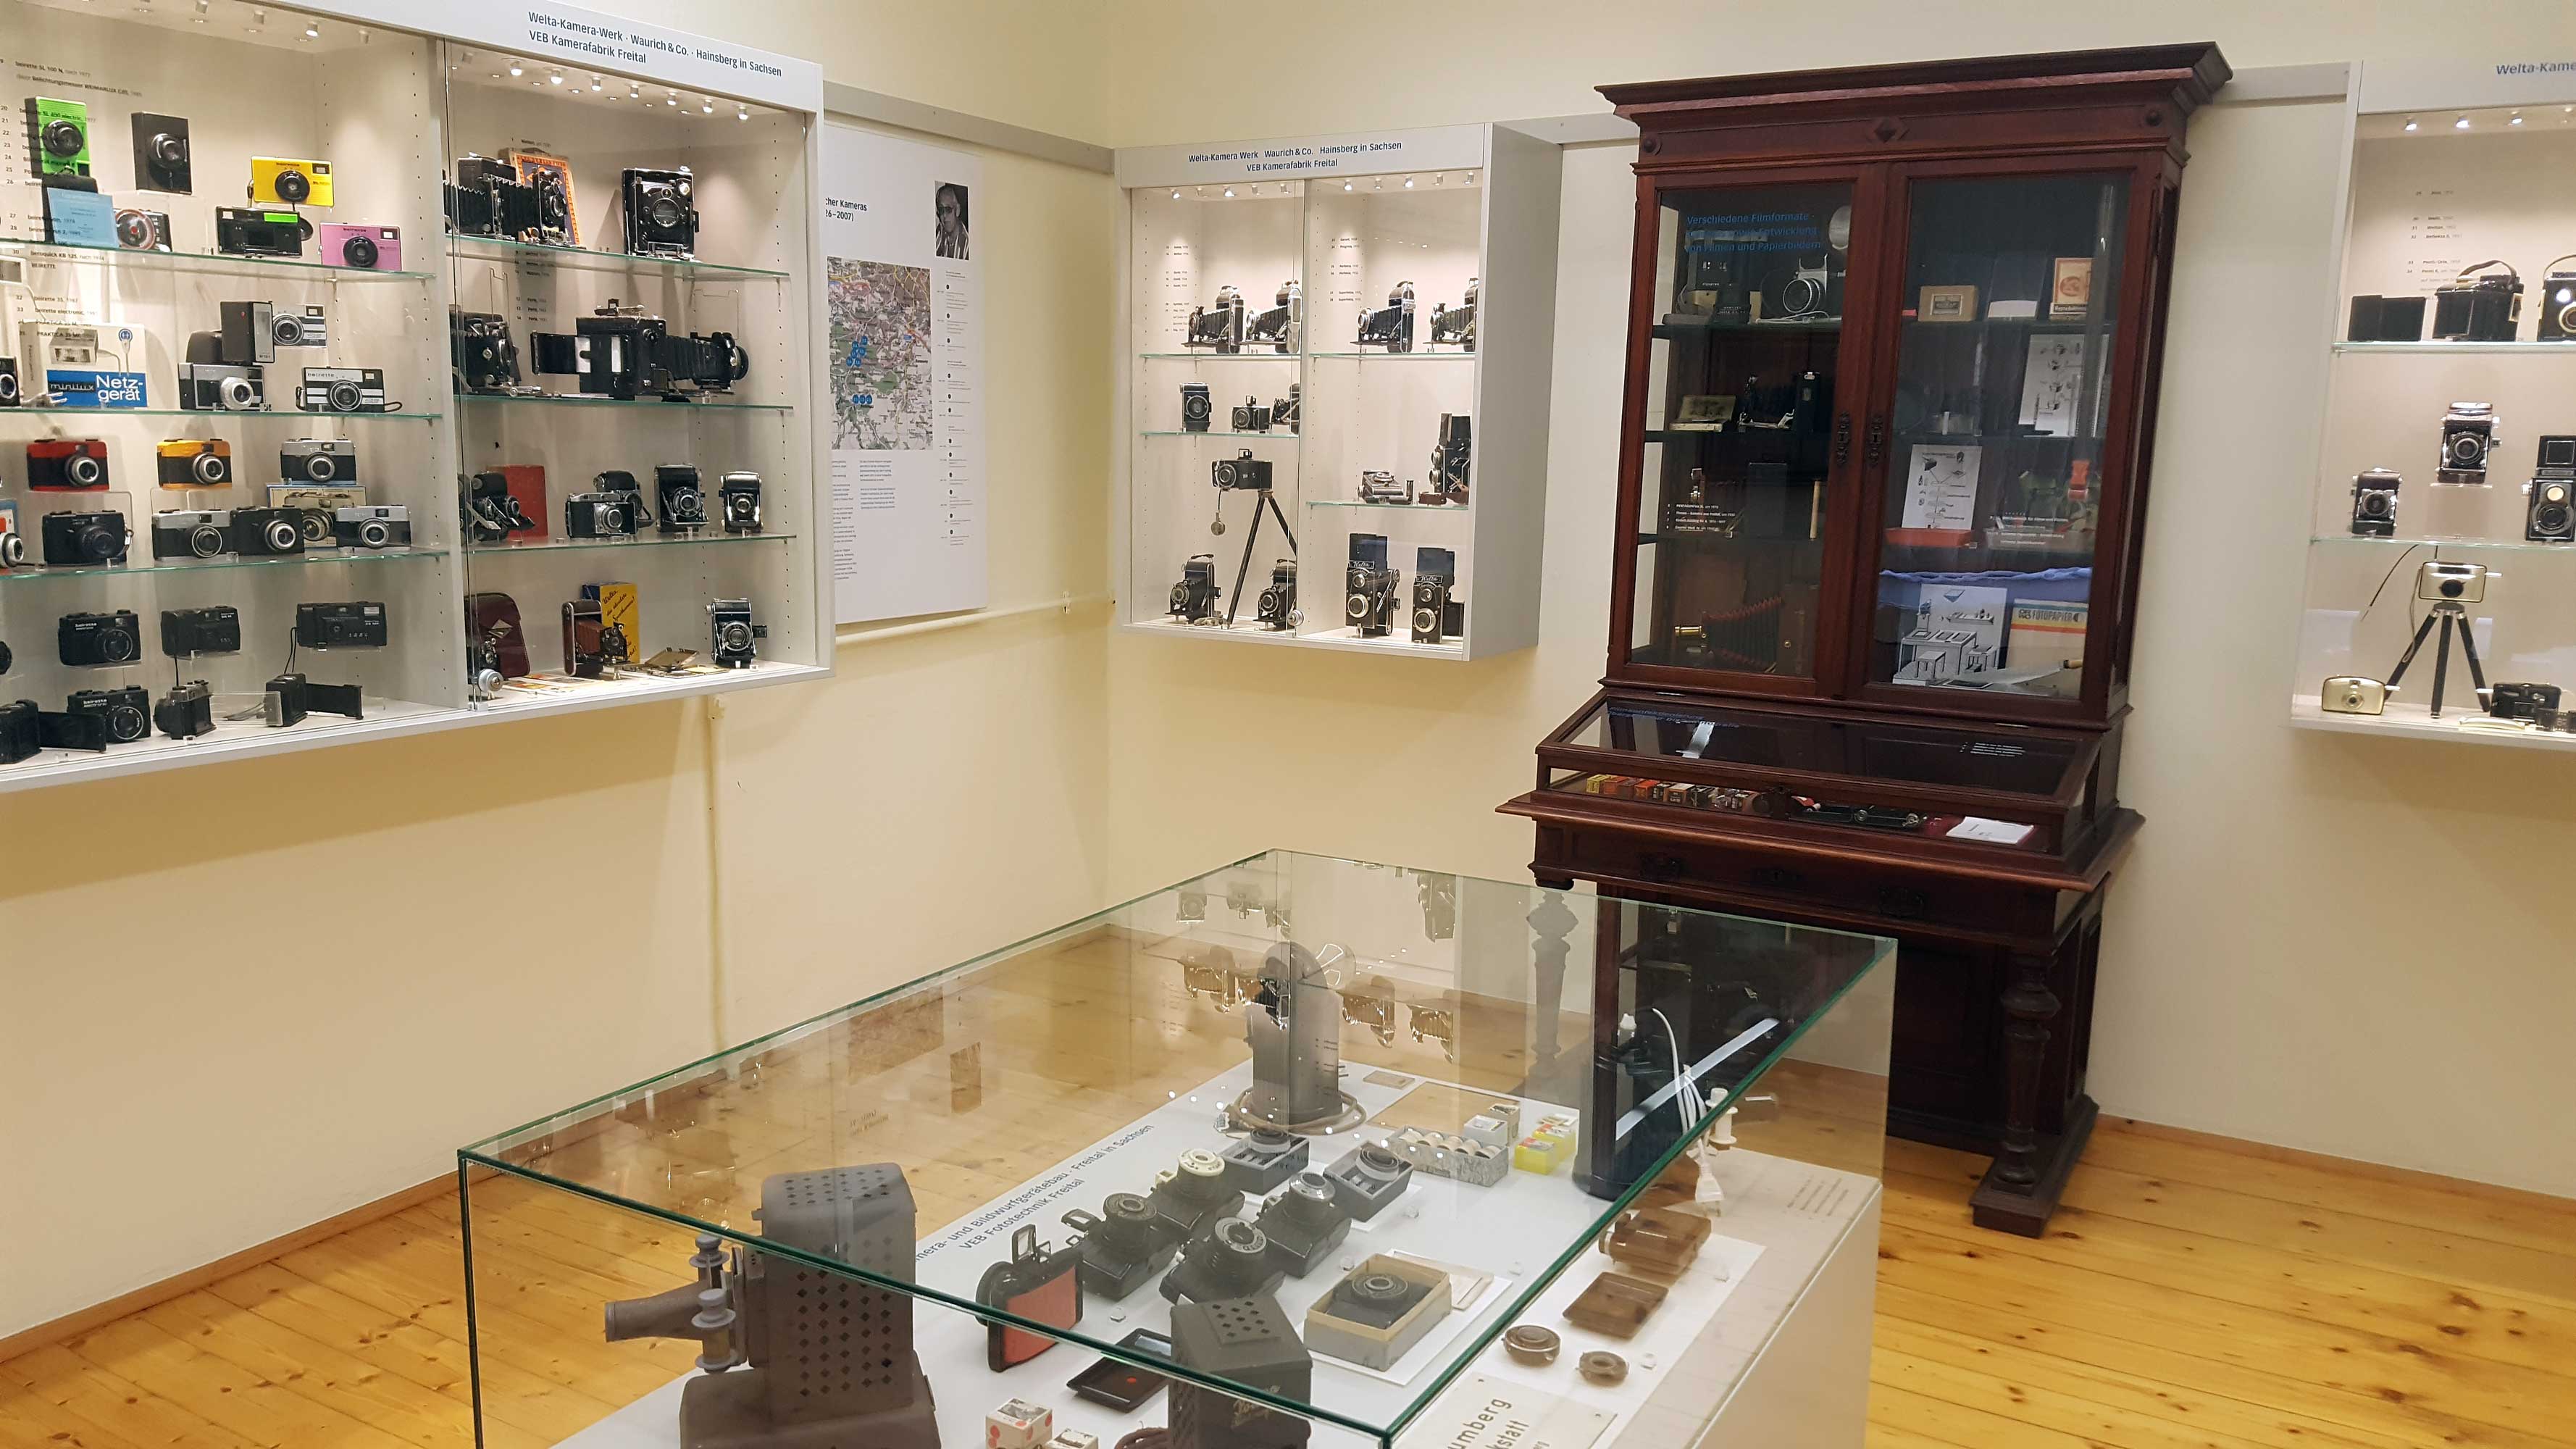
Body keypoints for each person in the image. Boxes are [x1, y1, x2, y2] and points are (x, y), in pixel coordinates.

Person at [934, 183, 969, 260]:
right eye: (941, 210)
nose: (944, 216)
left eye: (948, 209)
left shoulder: (967, 244)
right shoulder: (940, 230)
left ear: (958, 210)